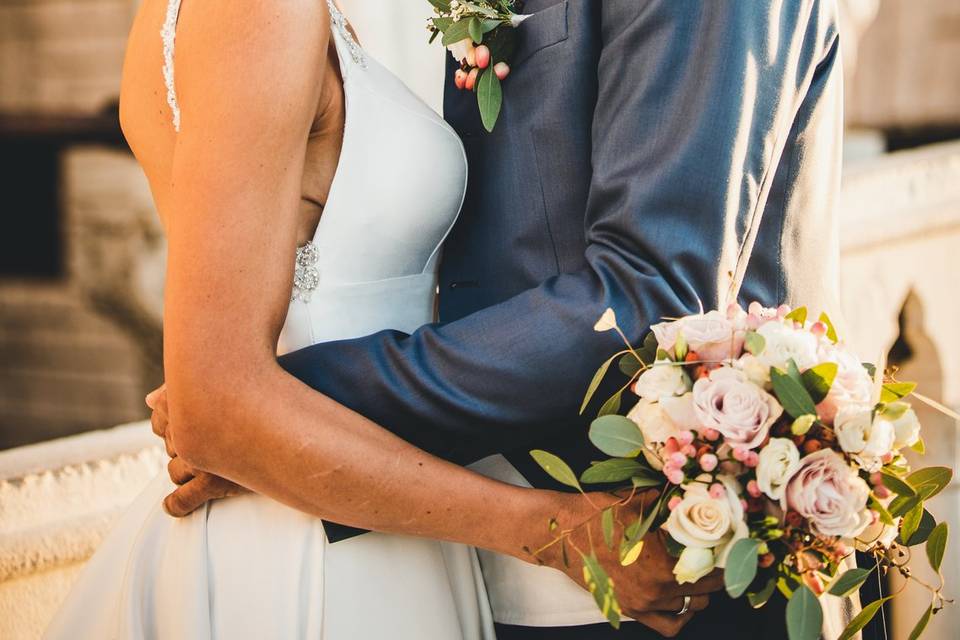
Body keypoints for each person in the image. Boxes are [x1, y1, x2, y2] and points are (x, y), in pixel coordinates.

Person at [49, 1, 850, 638]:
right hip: (341, 542)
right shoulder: (256, 12)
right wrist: (250, 412)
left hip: (558, 547)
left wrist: (279, 407)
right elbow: (220, 395)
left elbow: (645, 289)